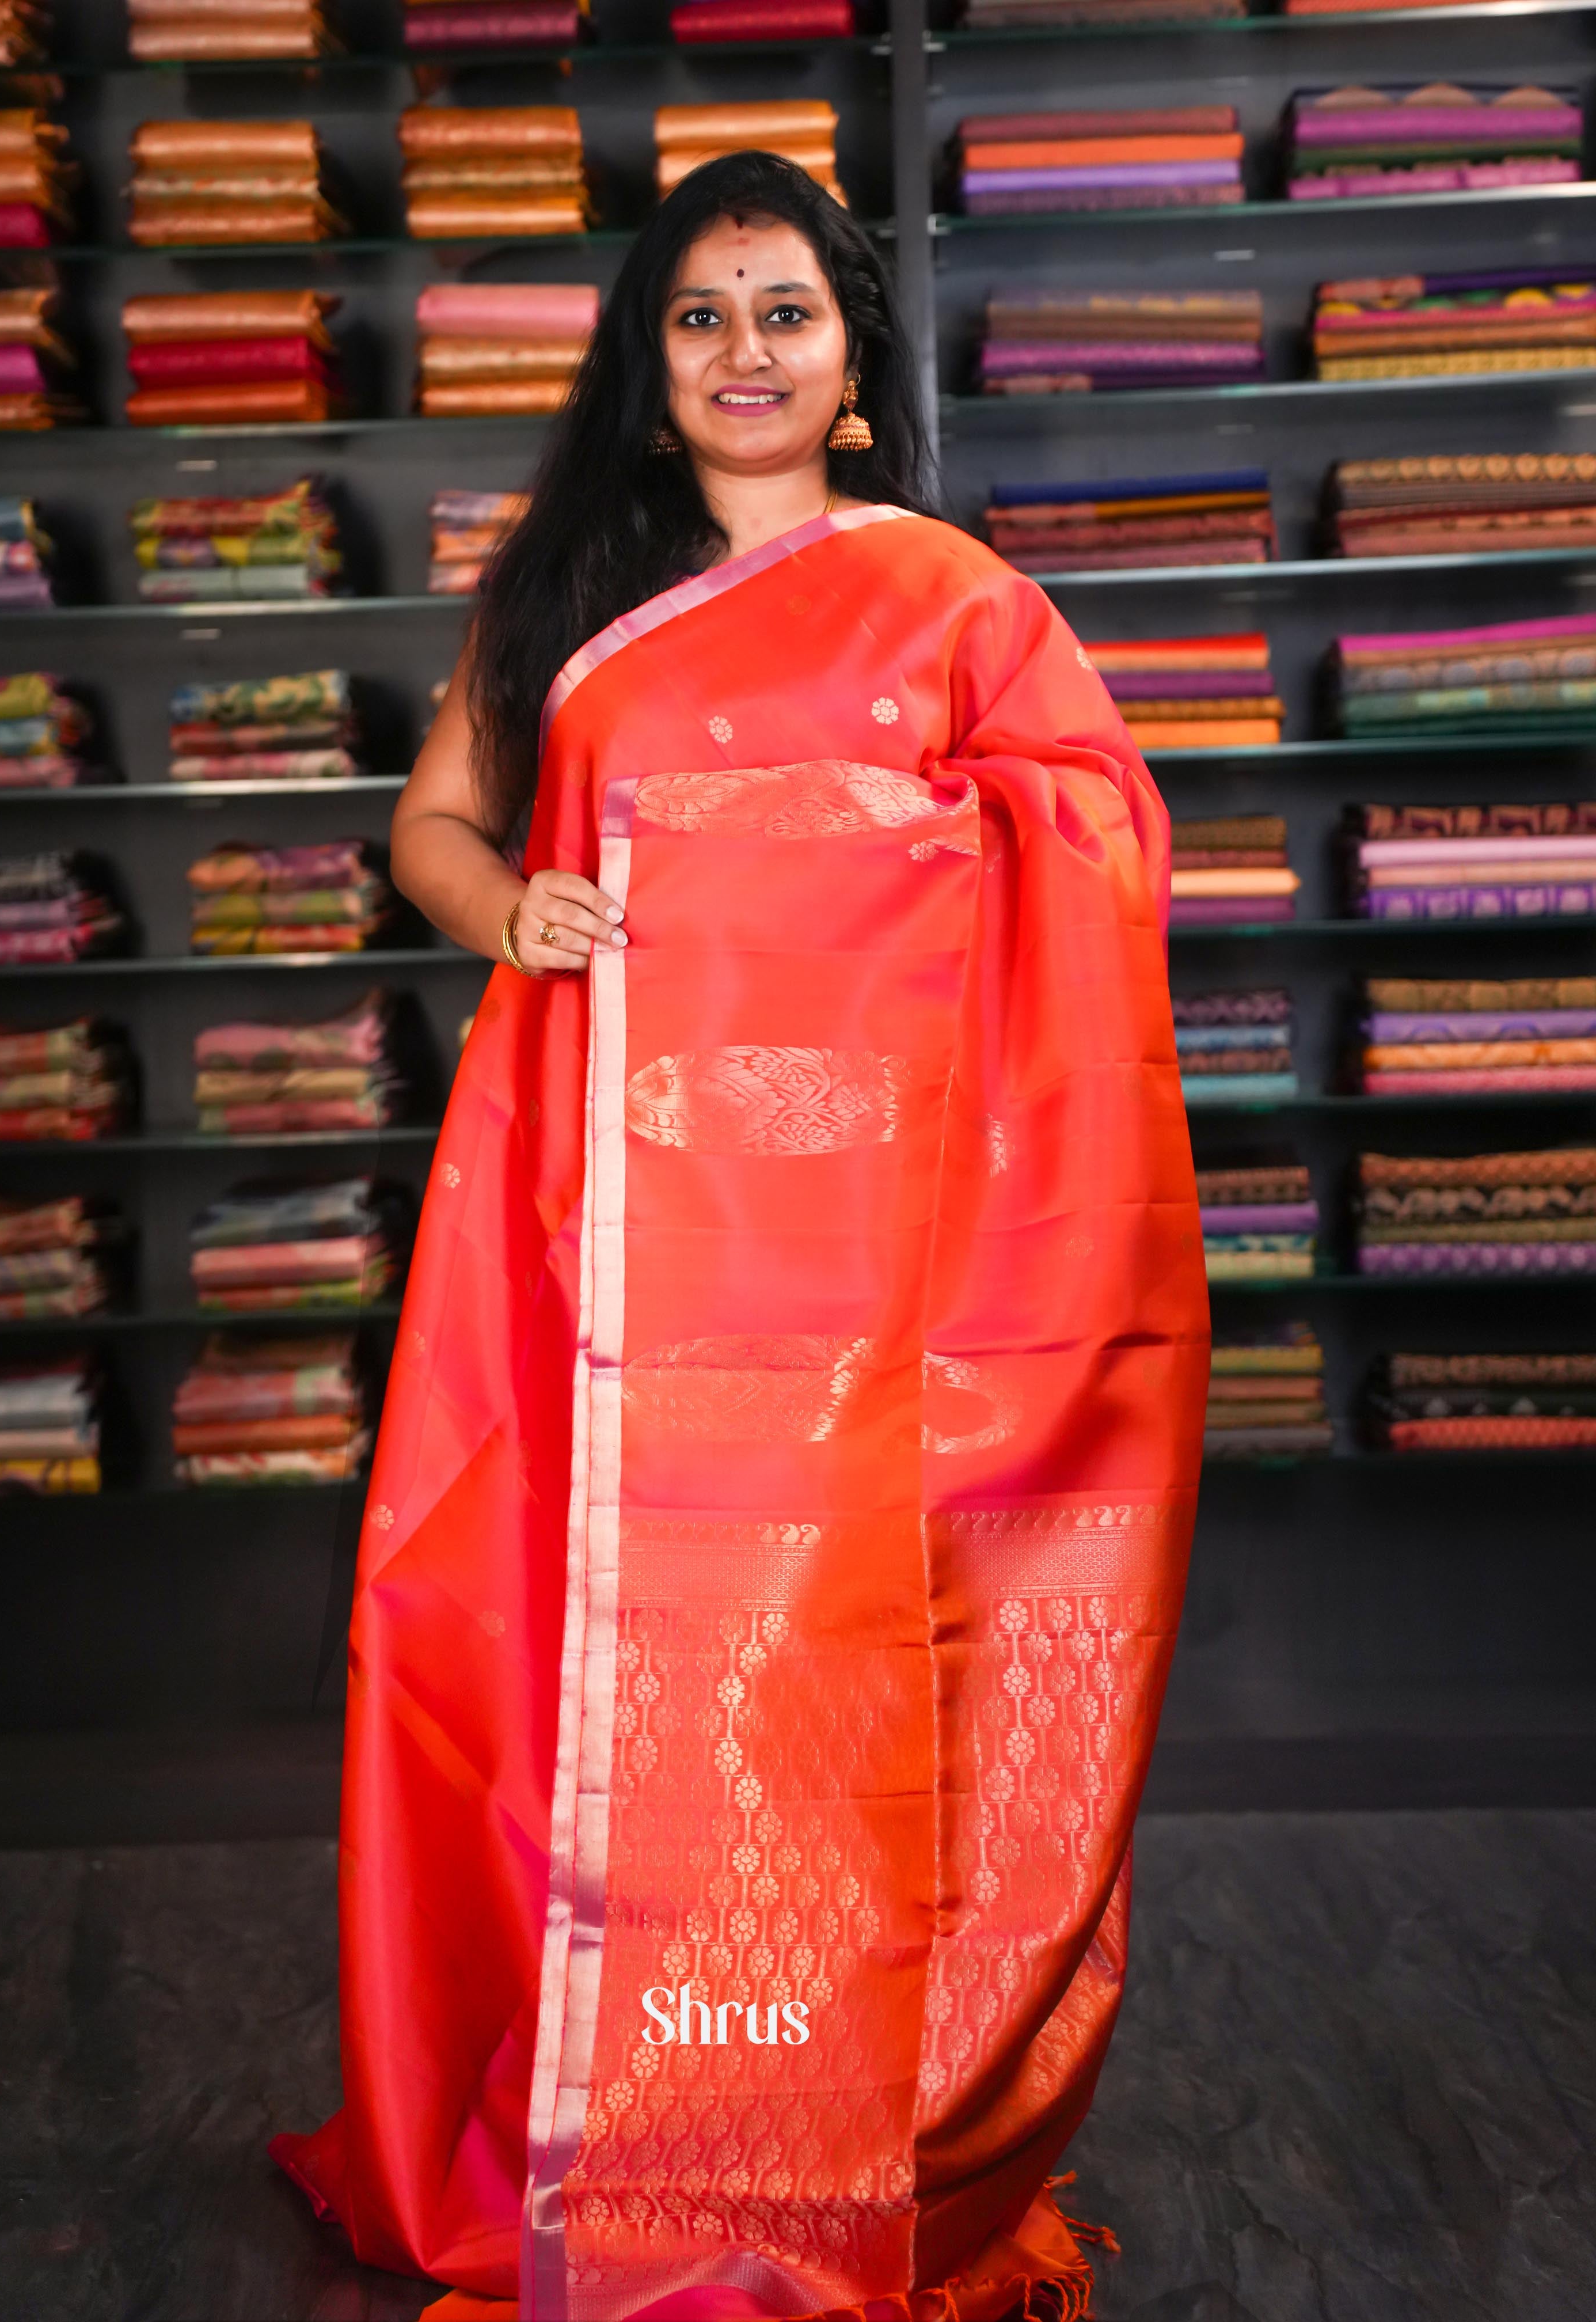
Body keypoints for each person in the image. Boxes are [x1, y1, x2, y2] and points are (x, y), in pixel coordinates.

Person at [271, 149, 1209, 2322]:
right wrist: (517, 906)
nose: (745, 352)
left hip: (882, 1266)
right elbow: (433, 827)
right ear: (649, 360)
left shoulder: (955, 602)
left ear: (853, 359)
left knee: (833, 1671)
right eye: (700, 316)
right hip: (606, 1230)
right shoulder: (569, 595)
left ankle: (834, 2134)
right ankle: (614, 2134)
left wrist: (819, 842)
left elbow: (1091, 835)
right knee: (581, 1670)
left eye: (786, 310)